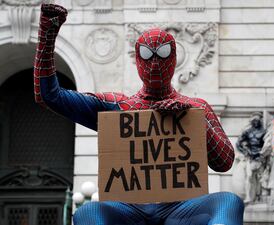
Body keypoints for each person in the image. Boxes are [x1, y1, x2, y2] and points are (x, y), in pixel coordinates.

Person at [34, 4, 244, 225]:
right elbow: (49, 96)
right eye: (147, 54)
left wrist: (193, 120)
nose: (154, 63)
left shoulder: (194, 107)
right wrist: (47, 34)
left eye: (162, 54)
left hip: (181, 210)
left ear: (173, 58)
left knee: (228, 201)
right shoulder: (117, 107)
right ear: (137, 59)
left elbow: (225, 162)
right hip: (128, 210)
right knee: (88, 212)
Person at [236, 112, 267, 203]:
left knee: (261, 178)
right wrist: (245, 151)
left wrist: (263, 154)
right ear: (252, 121)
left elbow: (267, 144)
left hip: (260, 157)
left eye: (257, 120)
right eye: (254, 120)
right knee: (249, 177)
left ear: (260, 120)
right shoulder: (247, 132)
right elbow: (238, 143)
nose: (256, 122)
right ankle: (249, 197)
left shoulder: (264, 132)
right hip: (250, 158)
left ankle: (259, 196)